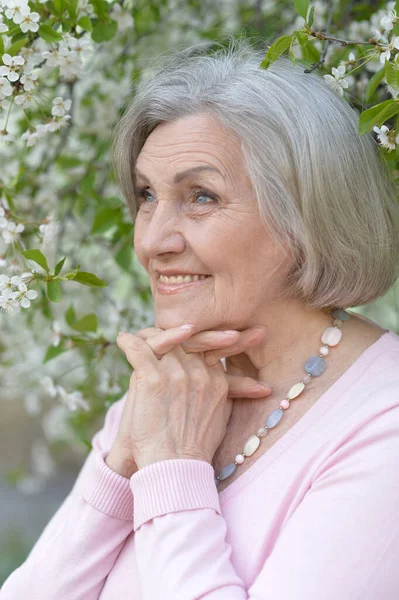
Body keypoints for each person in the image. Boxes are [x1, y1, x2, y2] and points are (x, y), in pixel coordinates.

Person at [2, 36, 399, 599]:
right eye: (146, 195)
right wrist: (121, 465)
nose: (152, 241)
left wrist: (170, 469)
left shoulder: (383, 429)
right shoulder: (173, 387)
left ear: (305, 216)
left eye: (201, 197)